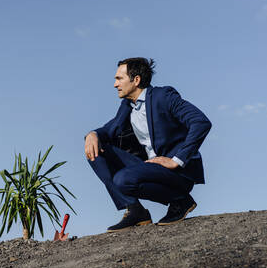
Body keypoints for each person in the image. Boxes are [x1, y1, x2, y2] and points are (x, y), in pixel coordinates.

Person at [84, 57, 212, 232]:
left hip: (176, 171)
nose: (115, 84)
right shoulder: (128, 105)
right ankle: (136, 211)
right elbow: (111, 128)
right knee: (96, 151)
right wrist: (92, 134)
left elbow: (200, 122)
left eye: (119, 79)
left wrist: (177, 160)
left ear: (136, 80)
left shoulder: (163, 96)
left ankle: (180, 200)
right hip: (150, 166)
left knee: (123, 180)